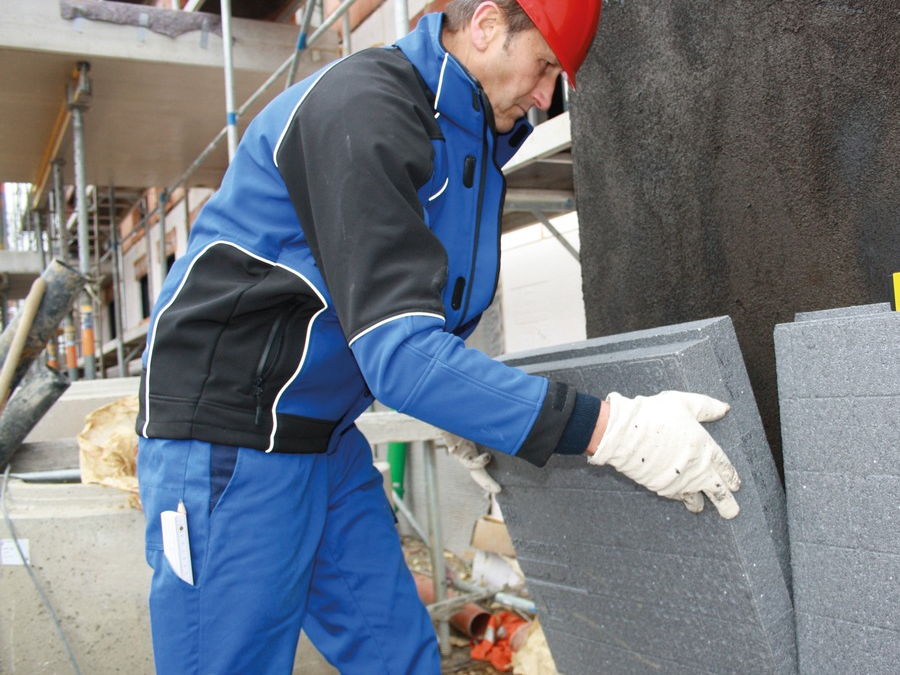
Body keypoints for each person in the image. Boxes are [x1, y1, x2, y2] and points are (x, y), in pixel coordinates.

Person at [135, 1, 740, 673]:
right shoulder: (364, 107)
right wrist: (614, 431)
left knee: (398, 653)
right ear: (486, 26)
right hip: (227, 440)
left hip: (322, 436)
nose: (546, 96)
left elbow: (423, 319)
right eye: (543, 66)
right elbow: (398, 352)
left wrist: (470, 409)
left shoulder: (465, 137)